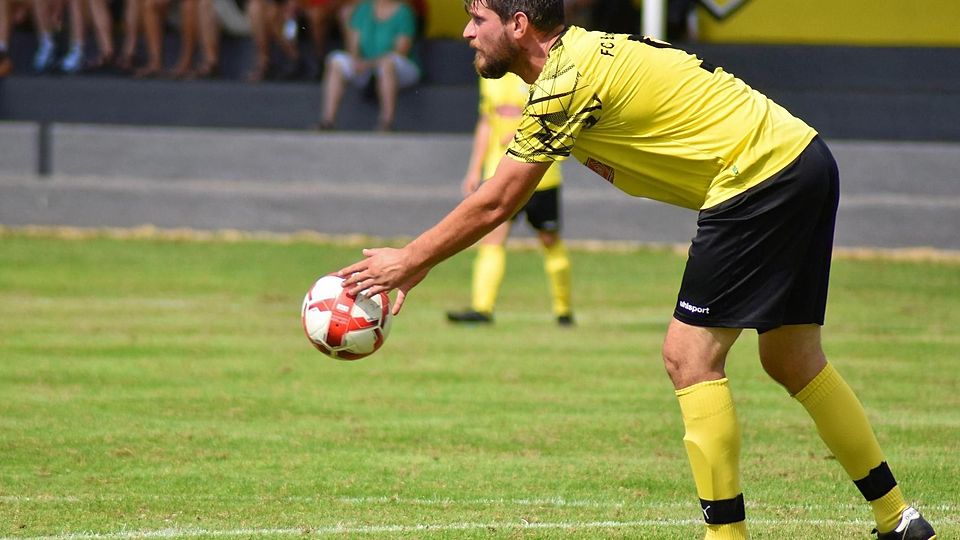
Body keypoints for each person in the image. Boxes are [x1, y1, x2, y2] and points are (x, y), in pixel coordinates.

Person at [337, 1, 938, 539]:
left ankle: (727, 537)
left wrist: (409, 261)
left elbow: (498, 200)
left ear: (518, 25)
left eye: (477, 19)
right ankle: (898, 519)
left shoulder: (565, 80)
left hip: (756, 176)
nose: (466, 32)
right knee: (792, 359)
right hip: (802, 158)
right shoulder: (581, 58)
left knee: (689, 357)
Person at [446, 72, 574, 326]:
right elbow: (486, 121)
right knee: (492, 237)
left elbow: (560, 117)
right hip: (499, 174)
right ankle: (482, 308)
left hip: (540, 174)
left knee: (549, 239)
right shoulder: (491, 75)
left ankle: (564, 310)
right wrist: (474, 169)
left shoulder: (542, 72)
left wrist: (522, 133)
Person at [318, 0, 420, 131]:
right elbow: (353, 45)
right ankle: (328, 120)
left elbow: (401, 50)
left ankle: (387, 122)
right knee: (336, 60)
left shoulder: (404, 12)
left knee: (387, 64)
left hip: (399, 68)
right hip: (367, 67)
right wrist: (355, 59)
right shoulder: (363, 9)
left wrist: (368, 63)